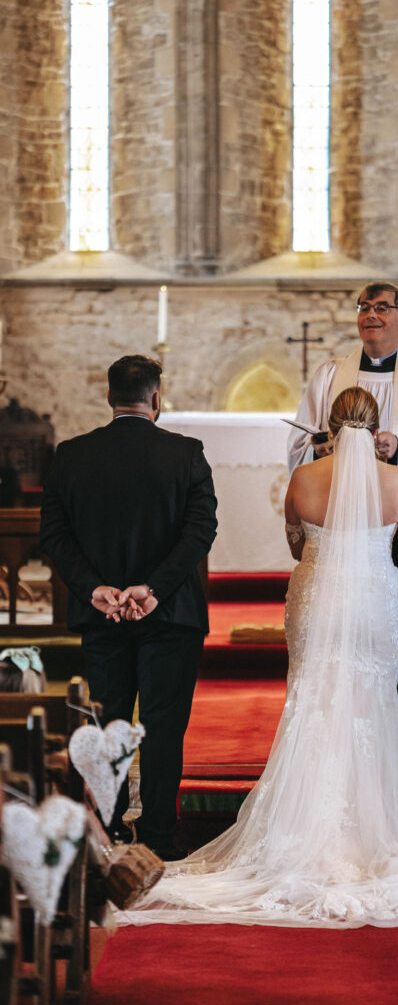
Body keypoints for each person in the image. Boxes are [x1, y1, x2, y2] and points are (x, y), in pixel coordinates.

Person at [120, 386, 398, 928]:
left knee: (312, 702)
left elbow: (295, 543)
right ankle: (377, 835)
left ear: (330, 427)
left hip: (315, 597)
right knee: (373, 707)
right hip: (374, 603)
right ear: (374, 424)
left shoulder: (303, 479)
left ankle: (298, 831)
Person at [39, 355, 217, 860]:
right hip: (170, 616)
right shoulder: (185, 453)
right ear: (156, 398)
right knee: (163, 728)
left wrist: (95, 589)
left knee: (111, 723)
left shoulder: (72, 455)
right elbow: (200, 529)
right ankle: (159, 838)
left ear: (109, 397)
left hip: (102, 615)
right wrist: (155, 589)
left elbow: (53, 534)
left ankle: (112, 832)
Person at [287, 282, 398, 471]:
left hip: (396, 498)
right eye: (364, 308)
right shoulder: (328, 376)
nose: (371, 315)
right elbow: (297, 447)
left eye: (382, 308)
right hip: (338, 492)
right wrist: (318, 452)